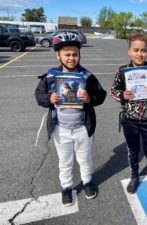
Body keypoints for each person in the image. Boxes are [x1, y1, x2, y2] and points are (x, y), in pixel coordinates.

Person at [35, 33, 107, 206]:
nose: (71, 58)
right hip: (61, 128)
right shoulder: (51, 77)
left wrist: (90, 98)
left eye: (74, 54)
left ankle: (87, 181)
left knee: (85, 158)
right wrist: (49, 99)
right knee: (65, 160)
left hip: (83, 127)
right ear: (57, 55)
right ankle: (66, 187)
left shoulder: (87, 76)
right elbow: (39, 95)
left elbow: (101, 95)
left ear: (79, 55)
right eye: (66, 54)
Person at [110, 33, 147, 194]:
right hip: (130, 119)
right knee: (133, 150)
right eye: (136, 50)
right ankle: (134, 176)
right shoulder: (122, 71)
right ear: (129, 51)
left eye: (143, 50)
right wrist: (122, 95)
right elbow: (113, 91)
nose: (139, 54)